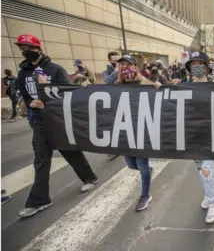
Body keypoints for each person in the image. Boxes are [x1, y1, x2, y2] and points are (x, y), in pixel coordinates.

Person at [14, 34, 99, 218]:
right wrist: (31, 103)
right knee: (41, 159)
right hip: (39, 122)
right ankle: (39, 200)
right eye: (22, 48)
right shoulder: (23, 73)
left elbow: (67, 95)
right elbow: (26, 96)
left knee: (70, 151)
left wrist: (48, 96)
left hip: (57, 120)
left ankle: (89, 177)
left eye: (29, 48)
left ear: (39, 49)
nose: (25, 51)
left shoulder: (55, 70)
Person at [114, 54, 161, 211]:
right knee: (131, 164)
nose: (124, 67)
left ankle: (145, 195)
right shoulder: (116, 83)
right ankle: (147, 170)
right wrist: (87, 84)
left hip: (142, 129)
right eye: (121, 64)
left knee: (141, 164)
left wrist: (156, 85)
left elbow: (157, 91)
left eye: (128, 64)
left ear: (134, 67)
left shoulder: (143, 82)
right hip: (125, 130)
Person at [185, 51, 214, 224]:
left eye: (200, 63)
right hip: (192, 136)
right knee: (201, 169)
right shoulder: (182, 87)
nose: (196, 67)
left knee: (207, 169)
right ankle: (208, 194)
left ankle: (213, 202)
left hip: (210, 136)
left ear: (207, 67)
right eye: (193, 64)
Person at [102, 51, 121, 161]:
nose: (118, 63)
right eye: (115, 61)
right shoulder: (106, 72)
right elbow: (107, 83)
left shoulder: (127, 69)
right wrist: (116, 71)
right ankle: (112, 149)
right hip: (113, 102)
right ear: (109, 61)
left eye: (119, 60)